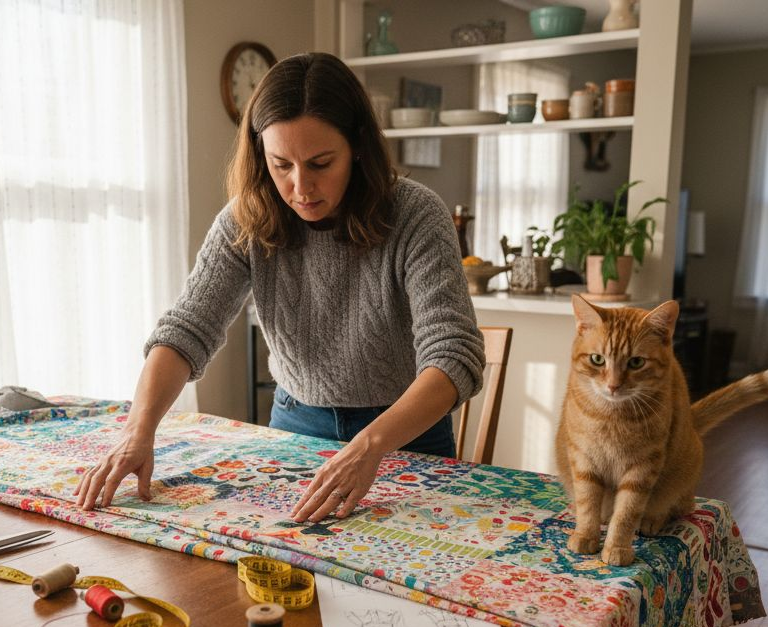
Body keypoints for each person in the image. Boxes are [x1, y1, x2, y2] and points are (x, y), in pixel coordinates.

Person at [76, 52, 484, 523]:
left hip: (404, 431)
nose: (301, 186)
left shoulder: (416, 214)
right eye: (281, 164)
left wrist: (369, 444)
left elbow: (453, 356)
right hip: (296, 425)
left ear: (357, 147)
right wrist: (137, 430)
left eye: (320, 163)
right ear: (259, 154)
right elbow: (186, 329)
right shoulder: (245, 218)